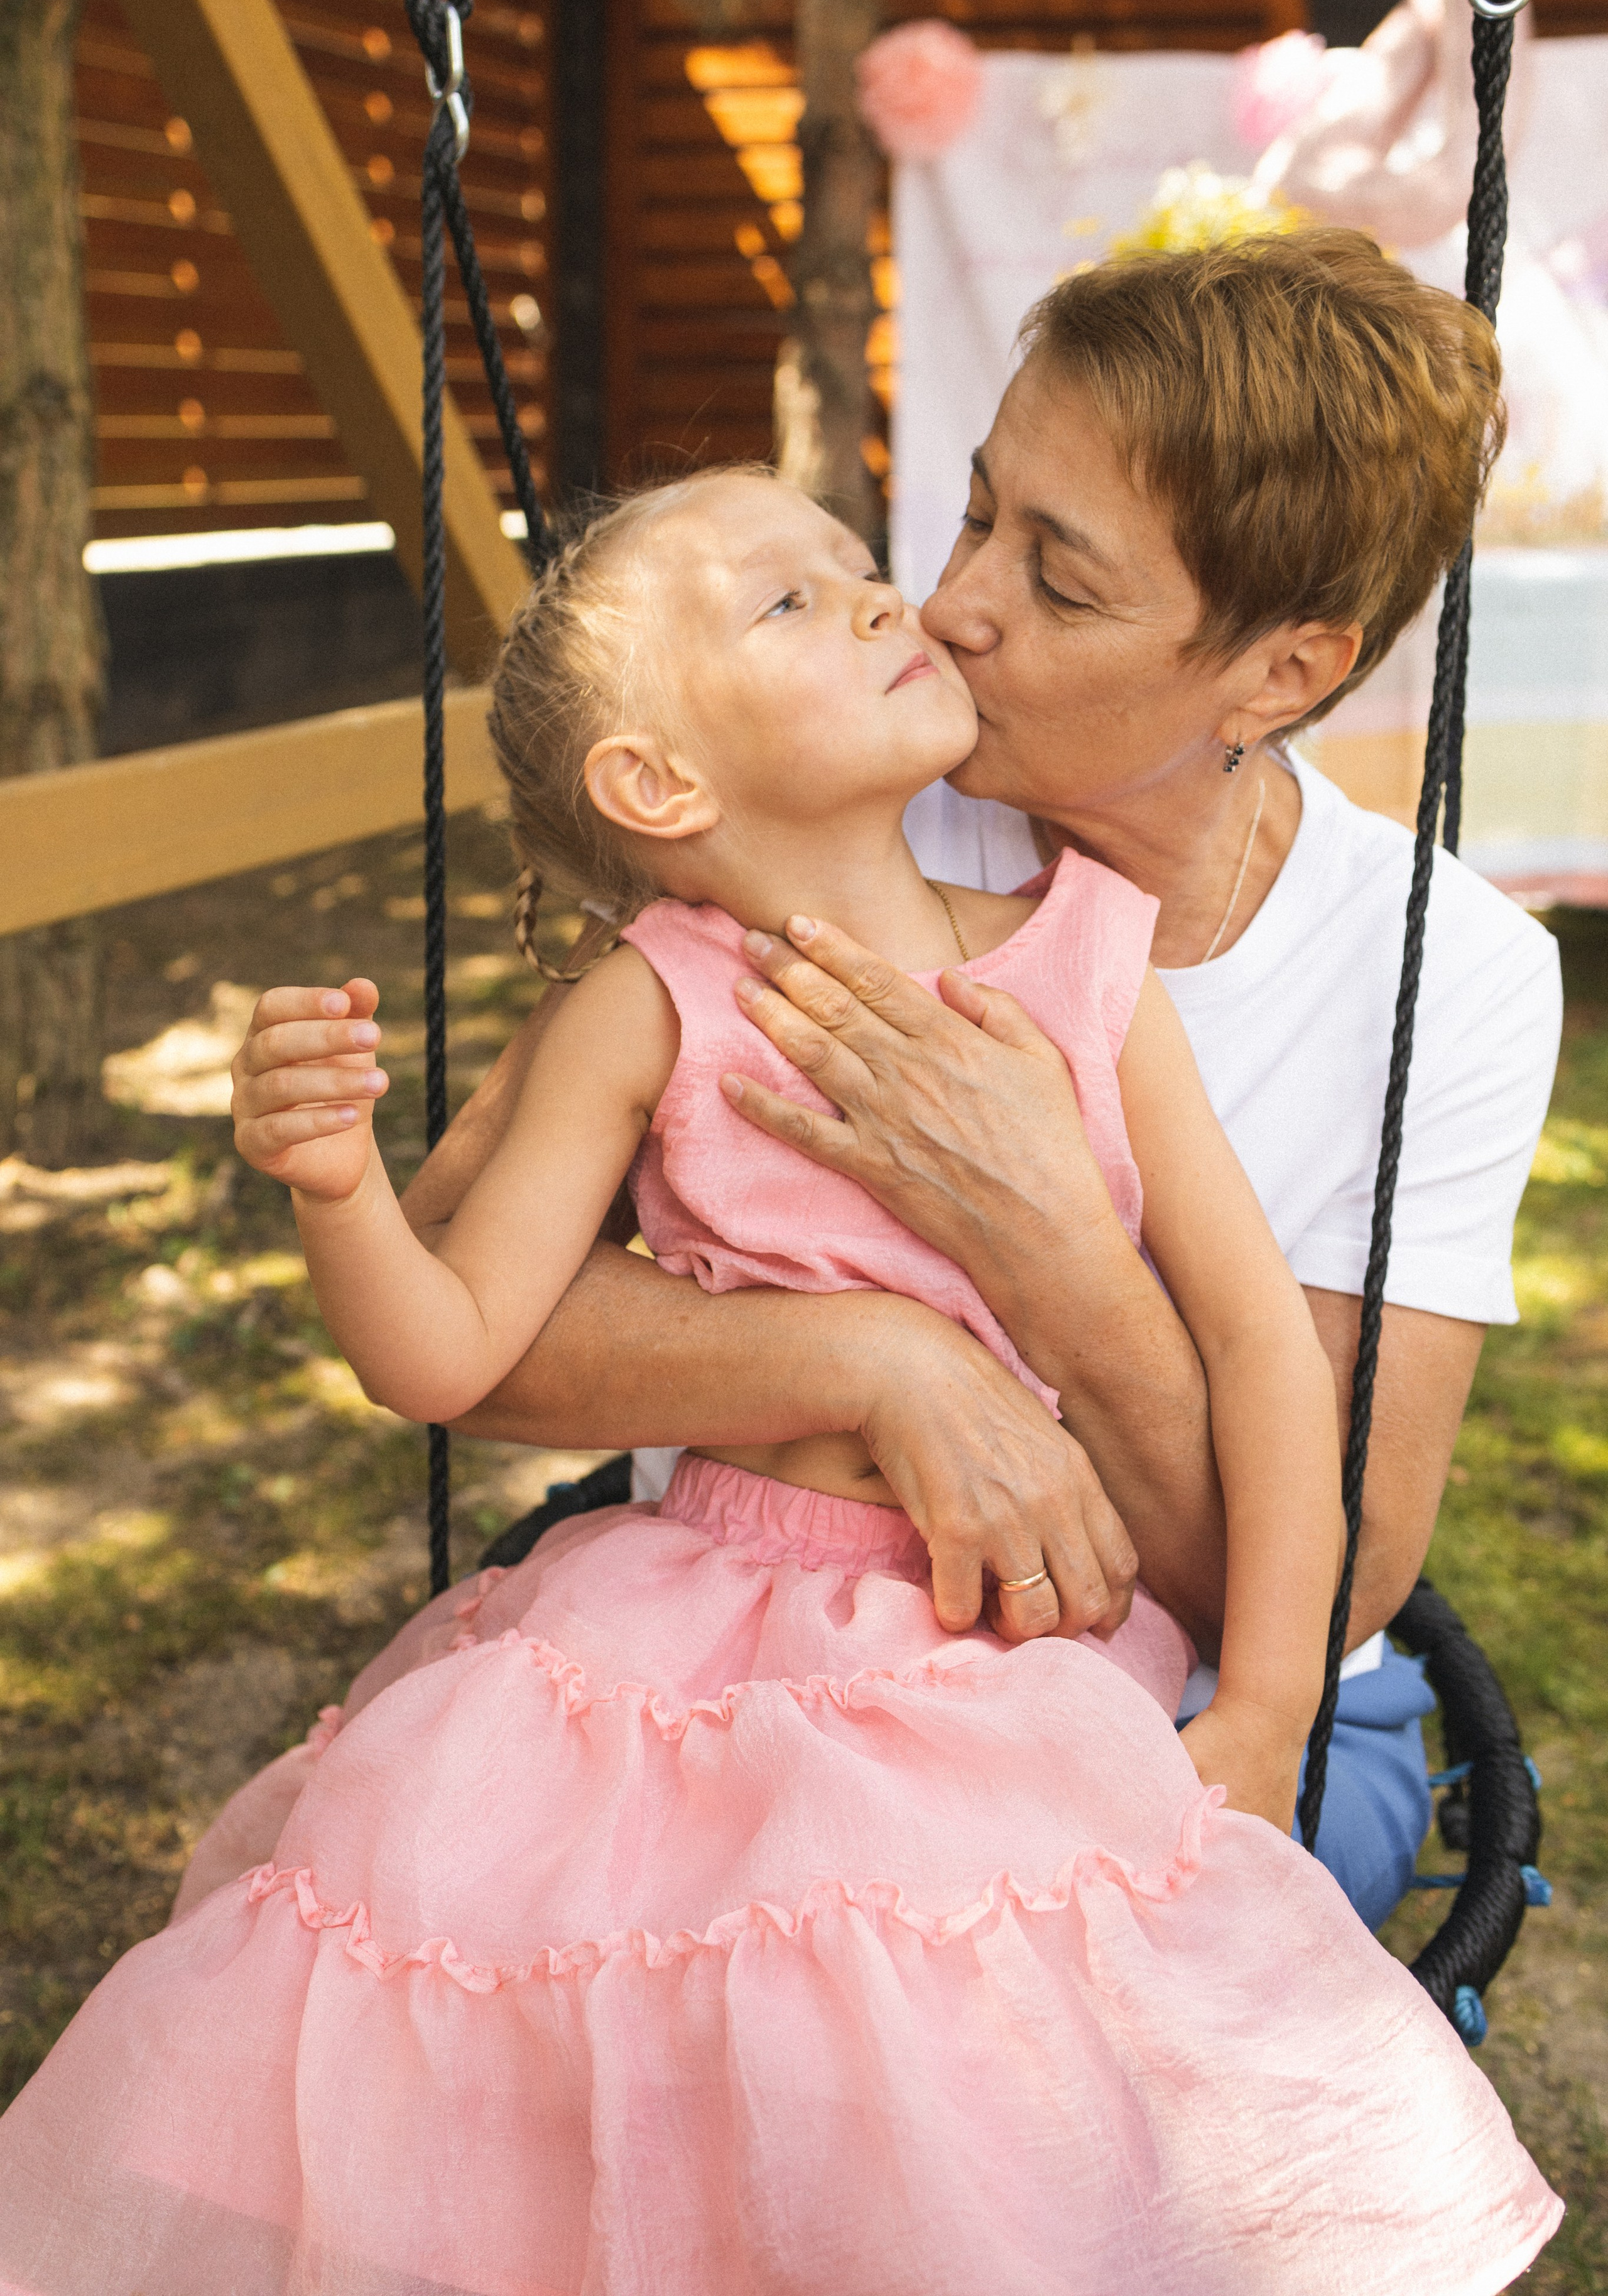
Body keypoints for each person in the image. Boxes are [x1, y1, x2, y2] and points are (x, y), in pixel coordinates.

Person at [0, 460, 1559, 2292]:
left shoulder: (1083, 969)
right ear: (658, 783)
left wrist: (1272, 1703)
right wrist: (337, 1188)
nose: (895, 600)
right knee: (557, 2009)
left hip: (981, 1657)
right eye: (794, 604)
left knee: (930, 2071)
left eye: (853, 569)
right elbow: (447, 1348)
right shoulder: (644, 1005)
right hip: (668, 1649)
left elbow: (1257, 1356)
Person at [396, 226, 1563, 1933]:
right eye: (974, 510)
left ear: (1284, 669)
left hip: (1179, 1696)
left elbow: (1316, 1590)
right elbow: (453, 1308)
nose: (951, 606)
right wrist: (877, 1363)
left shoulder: (1446, 978)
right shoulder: (838, 787)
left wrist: (1059, 1263)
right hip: (748, 1653)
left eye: (1063, 582)